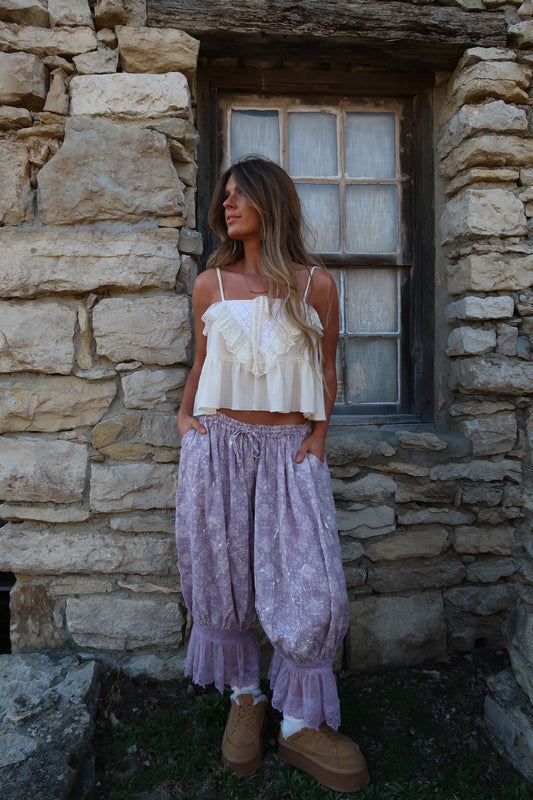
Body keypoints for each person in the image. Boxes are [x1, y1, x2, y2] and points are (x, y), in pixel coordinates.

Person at [175, 156, 370, 793]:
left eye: (240, 194)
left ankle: (299, 723)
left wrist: (318, 439)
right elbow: (200, 365)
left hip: (290, 452)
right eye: (224, 195)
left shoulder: (316, 285)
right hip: (220, 449)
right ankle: (246, 697)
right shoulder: (211, 284)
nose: (227, 204)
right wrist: (186, 422)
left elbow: (329, 371)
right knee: (223, 574)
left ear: (271, 202)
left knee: (313, 586)